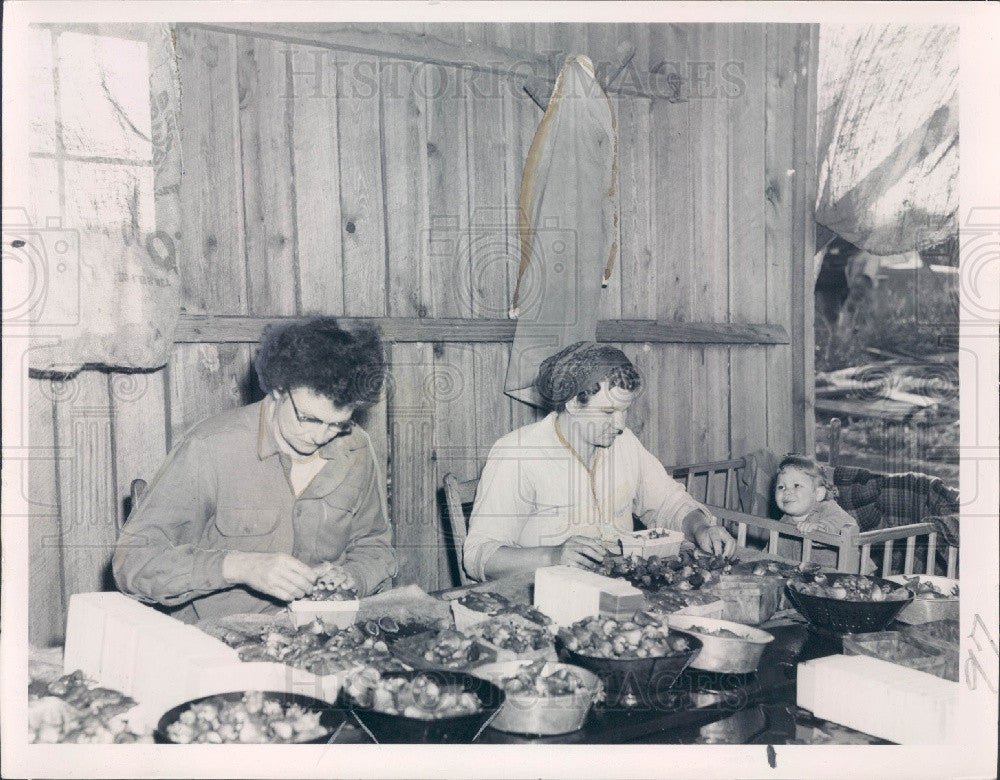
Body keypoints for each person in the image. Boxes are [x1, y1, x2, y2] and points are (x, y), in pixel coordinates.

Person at [113, 317, 397, 622]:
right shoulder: (210, 448)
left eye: (337, 424)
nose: (320, 436)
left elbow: (375, 547)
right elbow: (133, 564)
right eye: (309, 419)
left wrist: (352, 576)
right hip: (219, 644)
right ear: (278, 387)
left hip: (320, 636)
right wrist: (240, 567)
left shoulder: (356, 449)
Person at [463, 342, 736, 581]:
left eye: (624, 411)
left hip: (619, 587)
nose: (619, 424)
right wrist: (552, 556)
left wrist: (700, 527)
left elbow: (667, 502)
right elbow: (479, 556)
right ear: (572, 403)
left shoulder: (624, 443)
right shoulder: (518, 453)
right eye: (607, 412)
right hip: (543, 597)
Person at [774, 454, 868, 571]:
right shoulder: (784, 520)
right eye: (781, 487)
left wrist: (822, 528)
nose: (787, 491)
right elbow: (773, 550)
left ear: (818, 493)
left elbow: (848, 523)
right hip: (808, 576)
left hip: (847, 573)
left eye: (796, 485)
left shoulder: (827, 508)